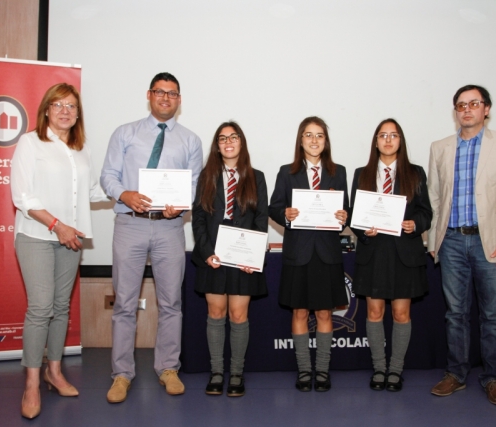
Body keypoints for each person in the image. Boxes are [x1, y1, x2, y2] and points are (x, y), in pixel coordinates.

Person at [100, 72, 203, 402]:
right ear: (149, 95)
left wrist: (180, 207)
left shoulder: (190, 140)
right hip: (130, 224)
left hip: (170, 228)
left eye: (172, 94)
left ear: (179, 99)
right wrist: (124, 194)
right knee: (124, 305)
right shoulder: (125, 133)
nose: (166, 98)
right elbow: (107, 176)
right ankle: (121, 374)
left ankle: (168, 369)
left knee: (172, 303)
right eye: (160, 92)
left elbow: (194, 186)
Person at [11, 83, 107, 419]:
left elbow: (94, 191)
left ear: (78, 114)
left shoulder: (82, 149)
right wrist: (58, 226)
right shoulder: (30, 142)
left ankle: (54, 372)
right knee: (40, 308)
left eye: (71, 105)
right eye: (58, 104)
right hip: (38, 236)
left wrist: (128, 193)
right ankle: (32, 383)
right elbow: (22, 197)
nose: (65, 110)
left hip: (71, 239)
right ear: (46, 109)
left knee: (61, 307)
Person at [427, 85, 496, 405]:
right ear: (455, 112)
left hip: (492, 244)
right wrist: (433, 239)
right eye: (460, 105)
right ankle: (456, 374)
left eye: (474, 104)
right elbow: (435, 197)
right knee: (455, 314)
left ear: (486, 109)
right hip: (452, 241)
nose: (466, 109)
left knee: (492, 315)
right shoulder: (439, 147)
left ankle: (493, 378)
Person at [349, 118, 432, 392]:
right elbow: (354, 215)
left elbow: (425, 212)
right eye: (382, 135)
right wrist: (363, 232)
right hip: (373, 253)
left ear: (400, 140)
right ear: (375, 141)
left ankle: (395, 370)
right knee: (374, 312)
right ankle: (379, 368)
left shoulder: (415, 172)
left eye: (393, 135)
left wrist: (415, 225)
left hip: (404, 255)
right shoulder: (362, 173)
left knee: (400, 313)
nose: (388, 140)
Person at [268, 116, 349, 392]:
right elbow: (274, 207)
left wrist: (342, 216)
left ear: (326, 142)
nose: (314, 140)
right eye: (308, 135)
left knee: (325, 313)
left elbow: (345, 211)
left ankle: (323, 371)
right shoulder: (286, 172)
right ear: (300, 140)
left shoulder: (339, 172)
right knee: (300, 311)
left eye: (319, 136)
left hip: (327, 253)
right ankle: (304, 371)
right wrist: (285, 214)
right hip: (298, 253)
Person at [191, 121, 268, 397]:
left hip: (243, 260)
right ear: (217, 145)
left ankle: (236, 373)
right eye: (222, 138)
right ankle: (215, 372)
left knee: (238, 315)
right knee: (215, 313)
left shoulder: (256, 177)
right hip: (213, 256)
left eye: (233, 137)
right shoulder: (206, 176)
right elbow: (198, 218)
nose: (228, 142)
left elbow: (260, 221)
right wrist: (206, 252)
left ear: (241, 142)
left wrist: (254, 255)